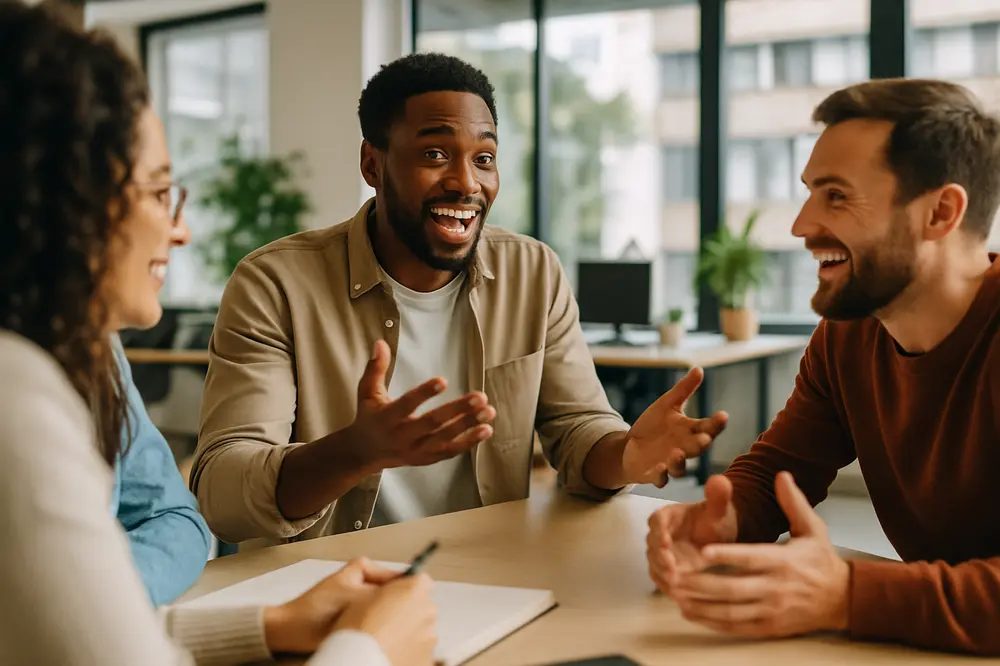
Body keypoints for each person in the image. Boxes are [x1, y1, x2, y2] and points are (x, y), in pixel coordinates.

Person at [0, 4, 435, 664]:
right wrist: (368, 647)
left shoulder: (55, 357)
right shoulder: (15, 396)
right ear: (64, 200)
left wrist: (268, 627)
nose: (181, 230)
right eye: (158, 192)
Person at [191, 53, 729, 546]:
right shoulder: (274, 284)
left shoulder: (533, 272)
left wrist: (629, 454)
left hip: (489, 572)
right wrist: (355, 451)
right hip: (324, 588)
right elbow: (222, 492)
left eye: (485, 157)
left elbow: (578, 431)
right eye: (434, 153)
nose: (465, 182)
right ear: (372, 165)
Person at [645, 78, 1000, 655]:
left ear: (940, 212)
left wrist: (846, 595)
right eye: (810, 192)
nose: (802, 225)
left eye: (836, 196)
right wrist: (718, 521)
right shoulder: (849, 335)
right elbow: (777, 472)